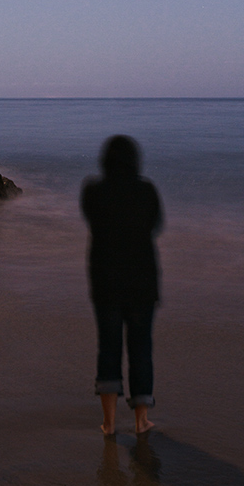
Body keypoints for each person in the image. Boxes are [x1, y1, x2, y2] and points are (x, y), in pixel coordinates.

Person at [80, 135, 163, 435]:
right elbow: (156, 224)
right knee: (141, 349)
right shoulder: (147, 190)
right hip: (142, 282)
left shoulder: (93, 191)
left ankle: (110, 423)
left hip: (106, 282)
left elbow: (91, 219)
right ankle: (141, 421)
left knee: (109, 349)